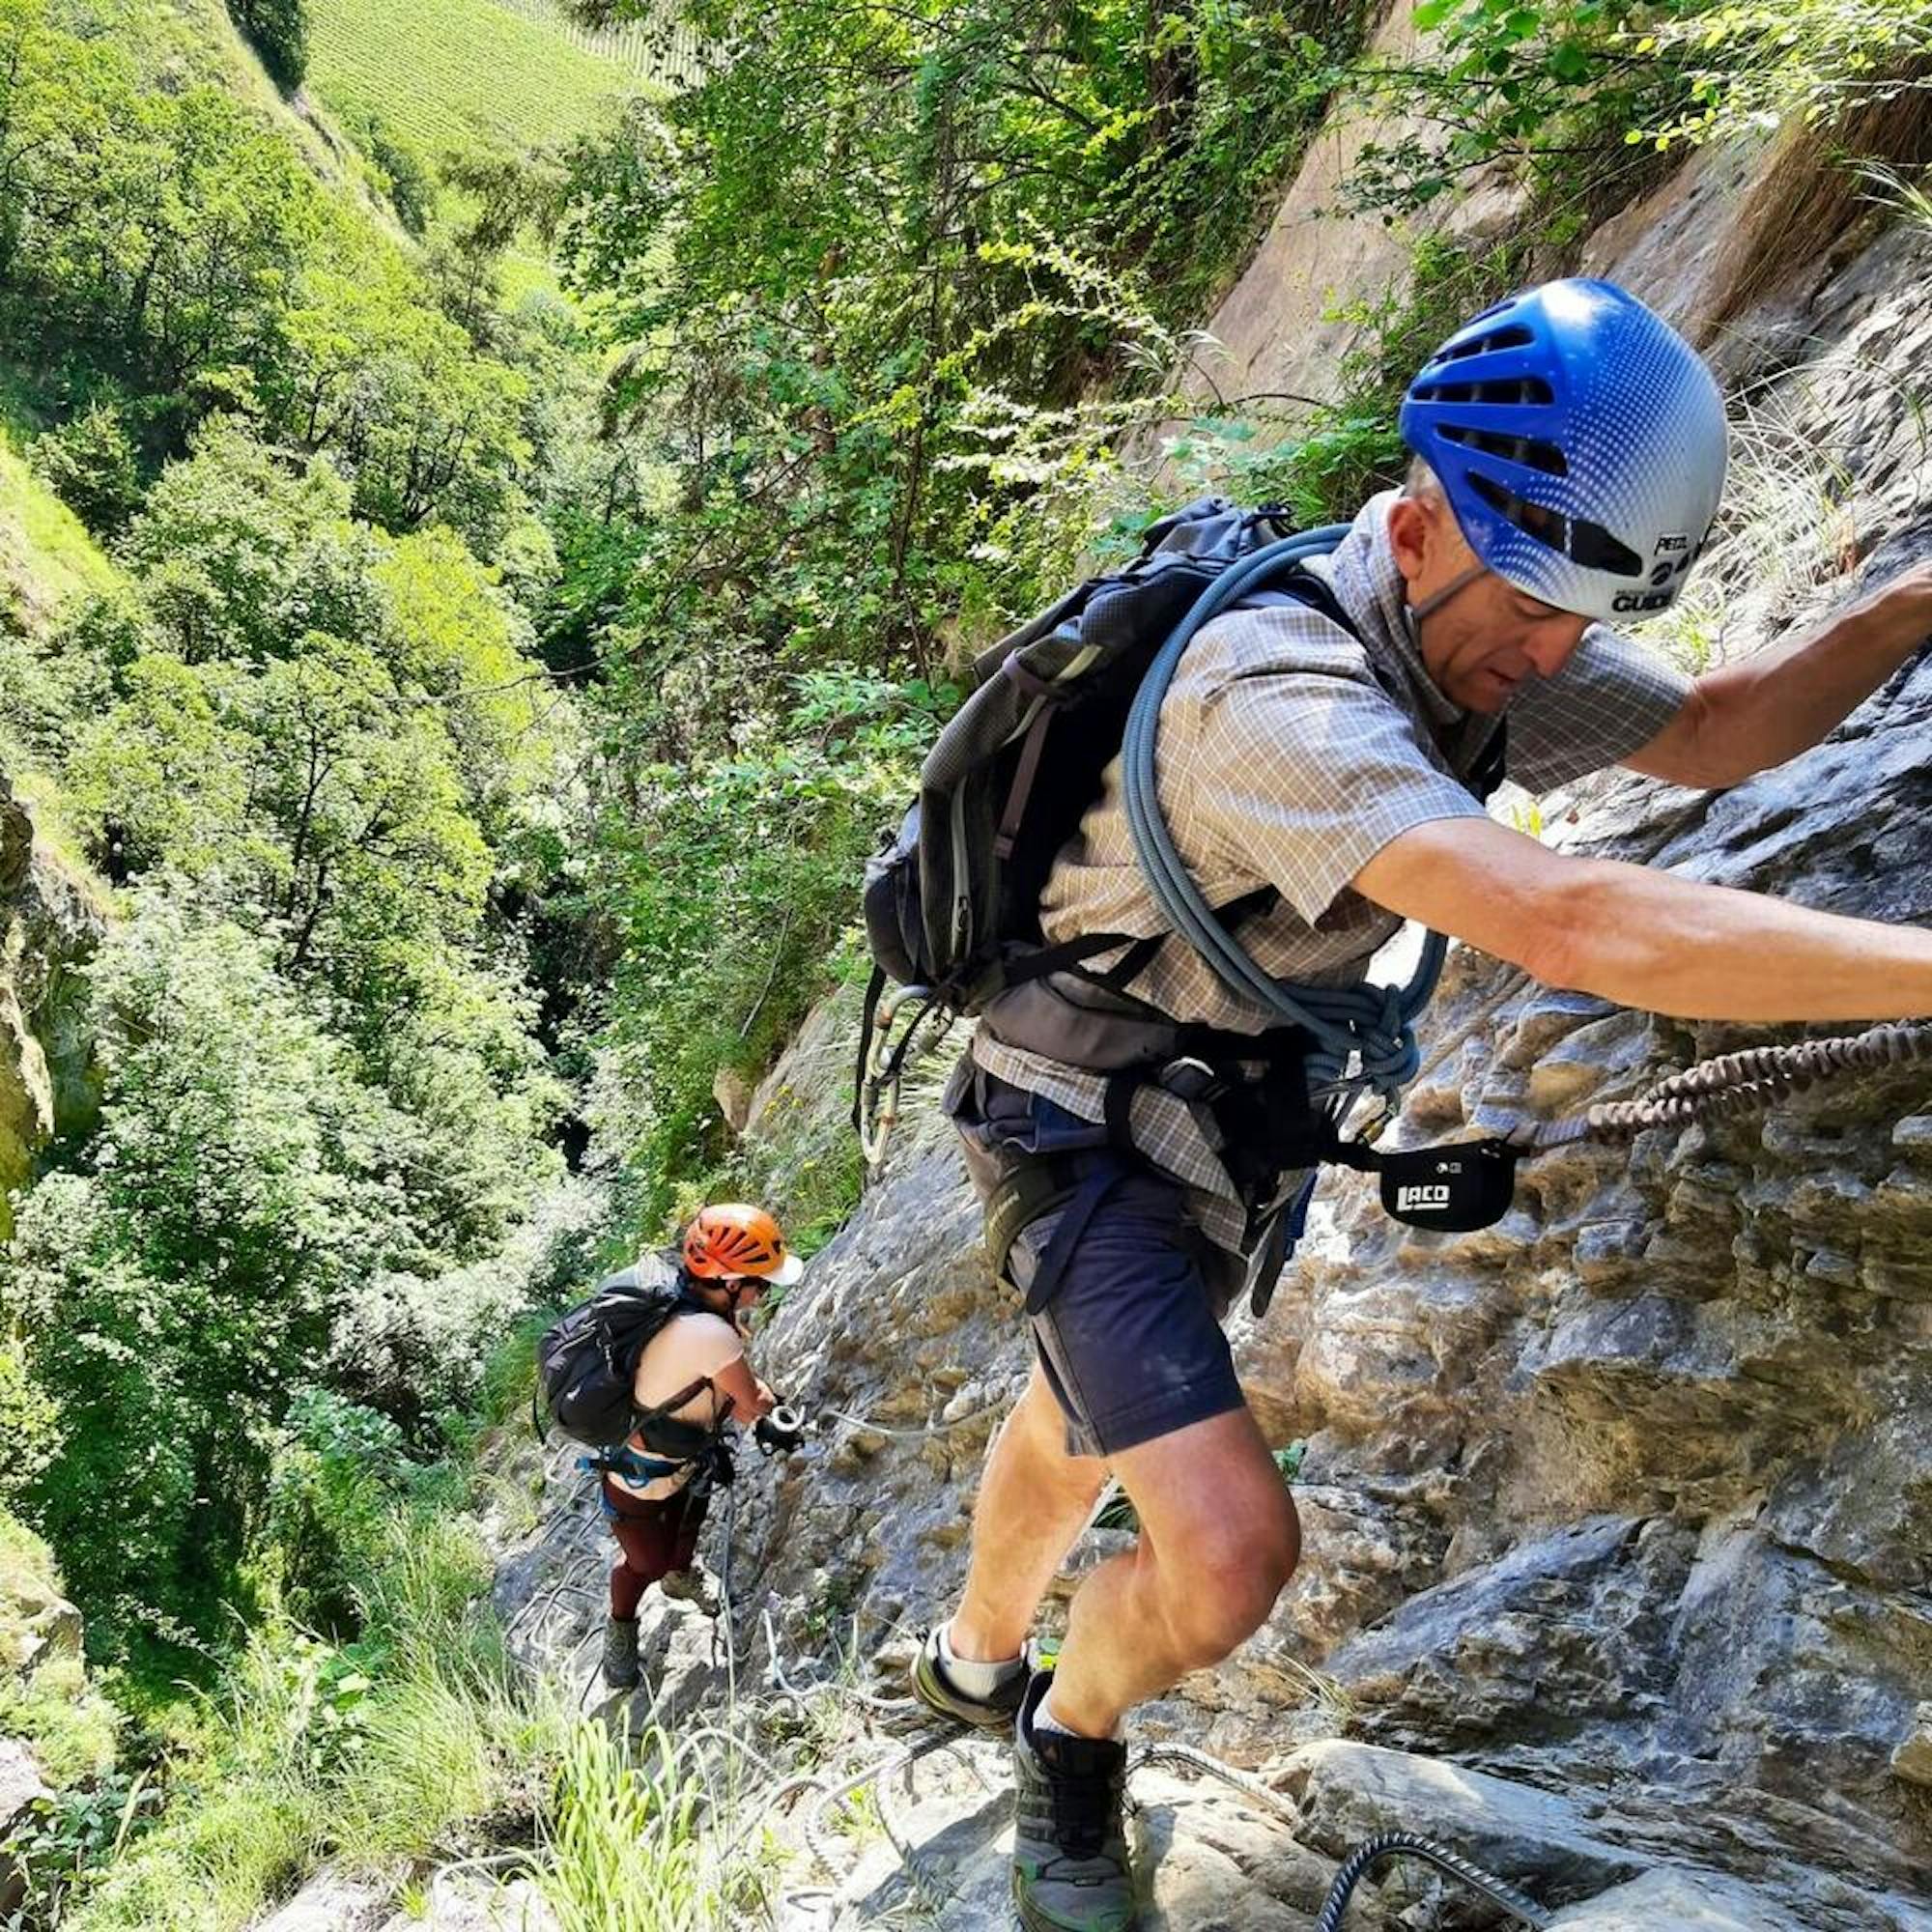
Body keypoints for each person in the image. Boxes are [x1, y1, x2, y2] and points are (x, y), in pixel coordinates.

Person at [910, 278, 1932, 1931]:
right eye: (1529, 611)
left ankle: (969, 1652)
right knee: (1229, 1557)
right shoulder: (1276, 693)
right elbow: (1573, 921)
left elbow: (1720, 728)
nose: (1549, 658)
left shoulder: (1487, 631)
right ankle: (1065, 1731)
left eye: (1575, 626)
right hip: (1082, 1123)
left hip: (1217, 1115)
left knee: (1083, 1411)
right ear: (1420, 521)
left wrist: (1902, 610)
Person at [599, 1202, 798, 1691]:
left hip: (678, 1458)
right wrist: (777, 1410)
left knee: (685, 1529)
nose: (762, 1293)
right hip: (642, 1476)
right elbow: (750, 1403)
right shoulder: (710, 1333)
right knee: (644, 1562)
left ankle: (681, 1575)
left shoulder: (686, 1304)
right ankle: (620, 1630)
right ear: (730, 1284)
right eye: (759, 1283)